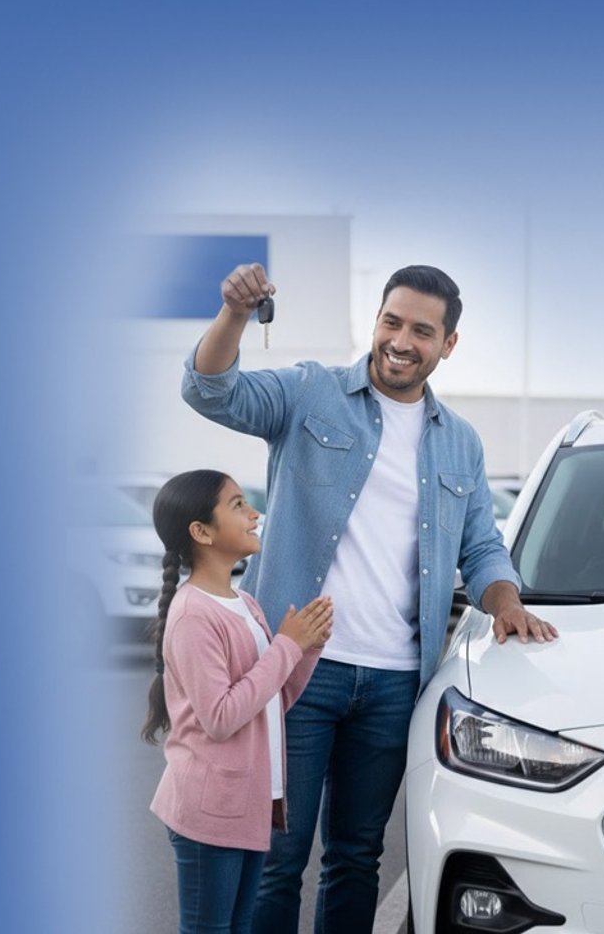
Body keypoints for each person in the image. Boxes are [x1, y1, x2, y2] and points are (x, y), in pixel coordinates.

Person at [181, 263, 558, 934]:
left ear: (448, 344)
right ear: (376, 322)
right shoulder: (311, 394)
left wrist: (505, 602)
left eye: (422, 330)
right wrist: (235, 314)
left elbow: (482, 548)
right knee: (278, 855)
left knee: (355, 859)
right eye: (392, 322)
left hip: (392, 684)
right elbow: (211, 391)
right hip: (297, 672)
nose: (401, 340)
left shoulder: (460, 443)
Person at [145, 469, 336, 934]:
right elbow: (221, 717)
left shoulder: (245, 604)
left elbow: (271, 702)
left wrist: (306, 648)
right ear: (201, 532)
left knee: (240, 926)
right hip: (210, 811)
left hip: (245, 805)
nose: (254, 514)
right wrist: (286, 647)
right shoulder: (194, 614)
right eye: (236, 505)